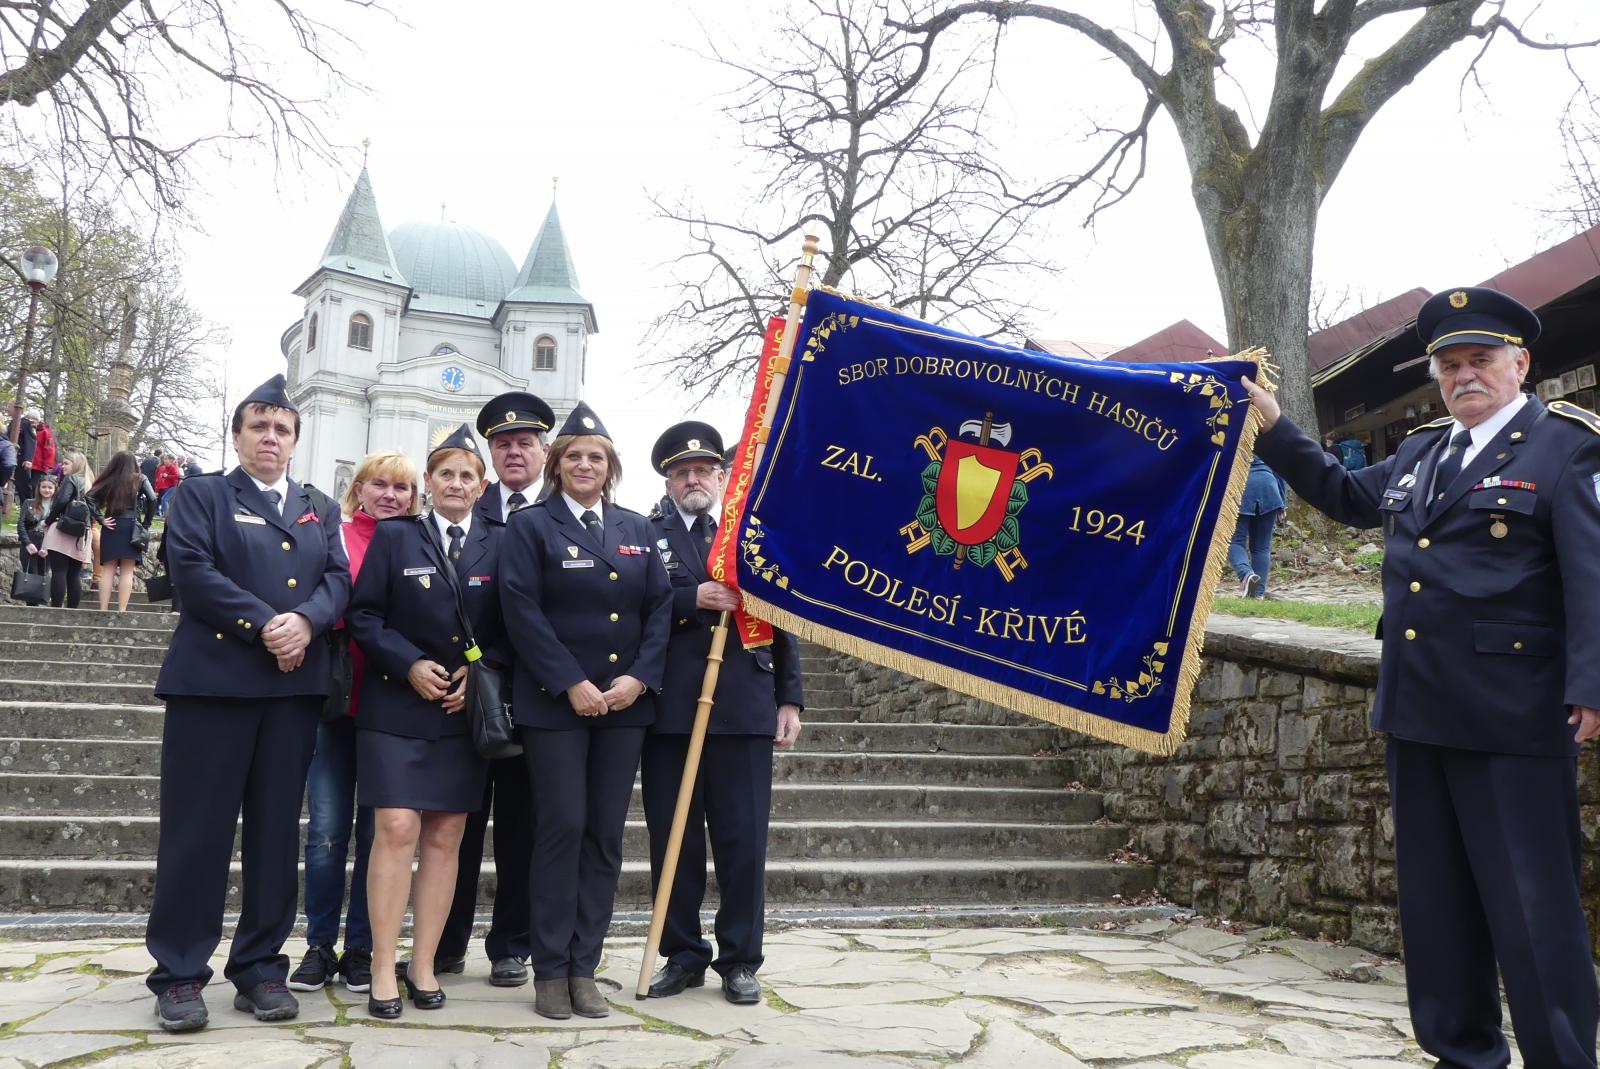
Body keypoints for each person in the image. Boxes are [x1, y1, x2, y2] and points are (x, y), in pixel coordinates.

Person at [1241, 286, 1600, 1069]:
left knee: (1534, 912)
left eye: (1480, 360)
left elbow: (1593, 576)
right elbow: (1341, 495)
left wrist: (1591, 685)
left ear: (1520, 363)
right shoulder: (1421, 452)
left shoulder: (1568, 449)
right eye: (1449, 365)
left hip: (1515, 718)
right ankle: (1463, 1053)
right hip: (1417, 709)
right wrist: (1274, 425)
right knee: (1437, 907)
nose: (1464, 376)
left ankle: (1563, 1059)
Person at [144, 374, 350, 1033]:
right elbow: (193, 570)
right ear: (237, 436)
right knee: (196, 834)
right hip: (214, 687)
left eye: (282, 427)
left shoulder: (320, 505)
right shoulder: (203, 495)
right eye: (258, 425)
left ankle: (261, 966)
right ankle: (179, 972)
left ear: (295, 440)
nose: (270, 436)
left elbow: (338, 578)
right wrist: (269, 624)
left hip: (291, 693)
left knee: (273, 836)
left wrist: (309, 622)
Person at [499, 401, 672, 1020]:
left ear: (611, 467)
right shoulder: (531, 526)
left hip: (623, 706)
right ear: (556, 464)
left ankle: (583, 966)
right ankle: (549, 969)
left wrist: (638, 679)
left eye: (595, 456)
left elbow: (659, 612)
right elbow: (520, 608)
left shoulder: (638, 529)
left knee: (603, 835)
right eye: (573, 455)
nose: (584, 464)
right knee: (561, 826)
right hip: (556, 705)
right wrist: (570, 681)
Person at [347, 425, 506, 1020]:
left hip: (462, 712)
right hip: (396, 704)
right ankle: (383, 965)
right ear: (427, 485)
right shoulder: (395, 538)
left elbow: (516, 624)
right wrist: (408, 662)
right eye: (445, 474)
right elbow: (363, 616)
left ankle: (424, 962)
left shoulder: (502, 541)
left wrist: (484, 673)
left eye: (468, 474)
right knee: (395, 827)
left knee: (446, 835)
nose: (457, 483)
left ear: (481, 485)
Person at [641, 422, 804, 1006]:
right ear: (667, 478)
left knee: (742, 842)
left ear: (719, 476)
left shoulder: (749, 533)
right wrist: (690, 599)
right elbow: (630, 604)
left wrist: (790, 697)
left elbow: (782, 613)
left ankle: (740, 958)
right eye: (682, 472)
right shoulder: (644, 532)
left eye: (704, 470)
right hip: (671, 711)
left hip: (743, 705)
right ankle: (682, 954)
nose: (694, 479)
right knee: (675, 841)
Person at [288, 451, 420, 996]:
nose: (391, 495)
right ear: (358, 490)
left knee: (380, 835)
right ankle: (320, 942)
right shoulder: (335, 536)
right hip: (339, 702)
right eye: (380, 485)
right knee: (325, 832)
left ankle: (364, 946)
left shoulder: (421, 541)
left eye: (403, 488)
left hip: (394, 707)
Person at [436, 391, 555, 988]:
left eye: (525, 443)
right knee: (457, 824)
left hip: (540, 696)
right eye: (503, 443)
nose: (514, 451)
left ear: (543, 451)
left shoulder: (568, 513)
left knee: (521, 828)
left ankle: (511, 944)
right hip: (467, 695)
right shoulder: (463, 513)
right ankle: (445, 941)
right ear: (490, 453)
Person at [88, 451, 155, 612]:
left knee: (108, 570)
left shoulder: (110, 479)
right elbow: (152, 499)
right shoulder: (140, 478)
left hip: (111, 525)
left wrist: (100, 518)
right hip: (131, 526)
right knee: (127, 571)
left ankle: (103, 609)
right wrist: (146, 523)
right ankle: (122, 610)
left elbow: (88, 497)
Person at [40, 452, 94, 609]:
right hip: (82, 532)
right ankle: (72, 612)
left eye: (66, 463)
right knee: (74, 575)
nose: (62, 466)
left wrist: (48, 521)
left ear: (76, 464)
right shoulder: (90, 482)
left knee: (58, 571)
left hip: (64, 528)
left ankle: (56, 610)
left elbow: (62, 500)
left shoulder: (71, 479)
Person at [1229, 456, 1288, 598]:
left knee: (1234, 541)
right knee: (1262, 547)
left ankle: (1246, 574)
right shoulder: (1266, 439)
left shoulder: (1232, 438)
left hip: (1241, 486)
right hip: (1269, 487)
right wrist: (1282, 503)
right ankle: (1257, 594)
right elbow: (1280, 470)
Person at [18, 474, 55, 596]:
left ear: (55, 489)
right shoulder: (29, 503)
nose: (47, 490)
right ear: (39, 488)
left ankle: (41, 604)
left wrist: (47, 547)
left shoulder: (57, 507)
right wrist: (27, 543)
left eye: (50, 487)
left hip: (48, 543)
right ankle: (31, 606)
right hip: (30, 540)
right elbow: (21, 524)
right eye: (44, 487)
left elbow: (58, 528)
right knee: (29, 575)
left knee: (42, 575)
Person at [12, 406, 37, 506]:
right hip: (14, 457)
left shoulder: (27, 424)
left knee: (23, 487)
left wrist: (28, 459)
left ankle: (28, 510)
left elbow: (30, 441)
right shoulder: (14, 422)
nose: (7, 409)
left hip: (21, 459)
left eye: (9, 407)